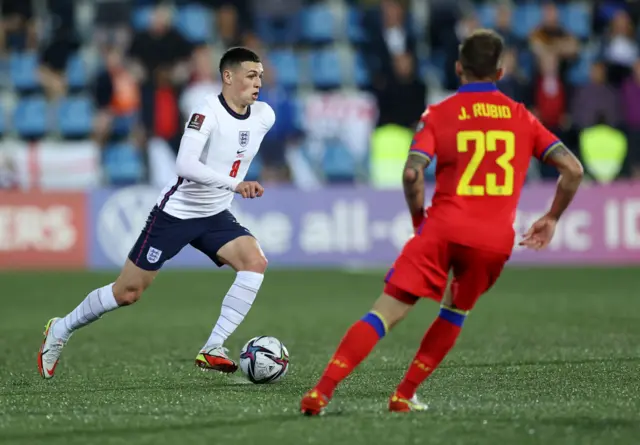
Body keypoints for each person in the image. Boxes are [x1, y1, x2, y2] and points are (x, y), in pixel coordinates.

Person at [300, 29, 584, 415]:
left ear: (457, 68)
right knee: (454, 311)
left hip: (443, 228)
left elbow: (412, 174)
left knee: (385, 313)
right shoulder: (523, 118)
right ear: (500, 71)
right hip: (492, 240)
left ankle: (322, 391)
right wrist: (551, 217)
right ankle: (403, 394)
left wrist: (420, 219)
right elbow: (573, 169)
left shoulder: (439, 114)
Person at [38, 47, 276, 379]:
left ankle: (213, 346)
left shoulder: (264, 115)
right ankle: (60, 329)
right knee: (128, 292)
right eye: (251, 75)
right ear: (228, 77)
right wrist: (234, 184)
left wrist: (229, 188)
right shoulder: (206, 111)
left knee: (255, 262)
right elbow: (185, 165)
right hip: (176, 213)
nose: (258, 83)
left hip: (215, 214)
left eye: (260, 76)